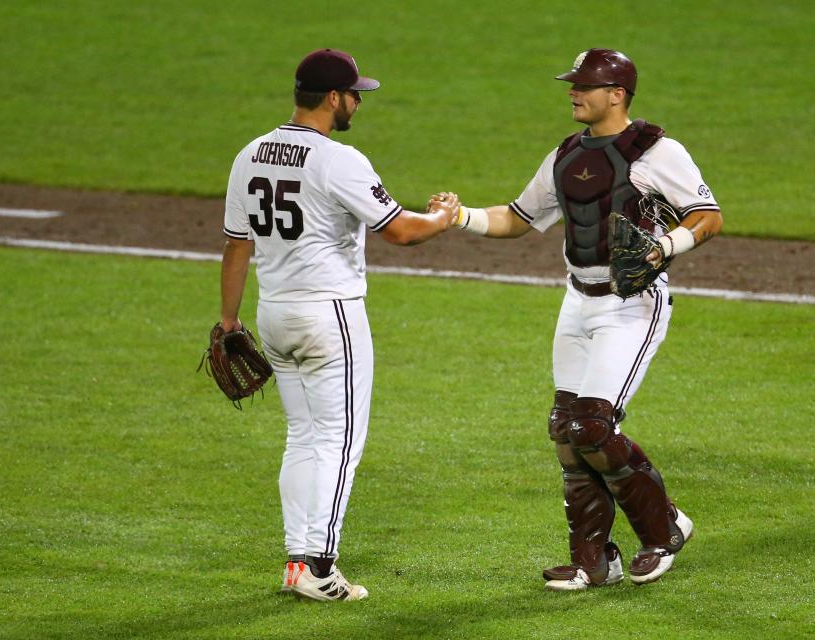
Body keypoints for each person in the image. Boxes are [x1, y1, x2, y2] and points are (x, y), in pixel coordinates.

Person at [442, 48, 722, 590]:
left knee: (594, 426)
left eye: (585, 85)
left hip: (630, 303)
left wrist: (664, 246)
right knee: (567, 434)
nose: (574, 92)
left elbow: (707, 217)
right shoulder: (566, 155)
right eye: (573, 84)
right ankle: (594, 560)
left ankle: (664, 530)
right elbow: (517, 218)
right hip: (577, 300)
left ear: (617, 94)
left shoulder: (660, 152)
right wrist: (461, 217)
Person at [219, 48, 460, 602]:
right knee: (339, 441)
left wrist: (229, 319)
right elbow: (400, 230)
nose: (357, 102)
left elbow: (237, 247)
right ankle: (321, 568)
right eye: (355, 94)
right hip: (329, 317)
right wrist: (444, 217)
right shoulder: (338, 159)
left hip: (273, 313)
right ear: (332, 98)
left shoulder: (249, 154)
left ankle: (296, 561)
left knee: (302, 437)